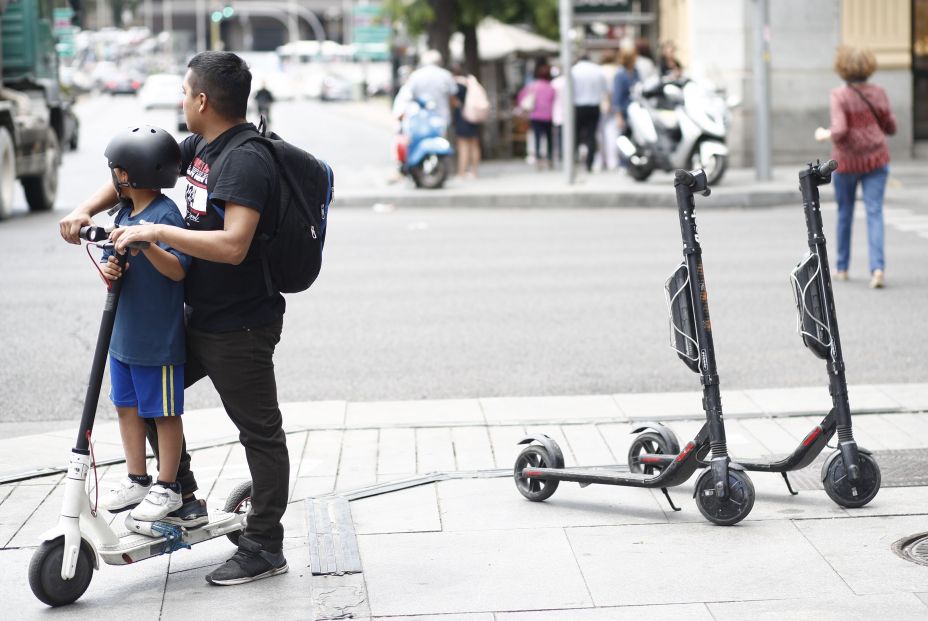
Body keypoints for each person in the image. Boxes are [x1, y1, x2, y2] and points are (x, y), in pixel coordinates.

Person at [59, 51, 291, 586]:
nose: (182, 101)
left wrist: (157, 233)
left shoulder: (245, 160)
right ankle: (177, 493)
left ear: (203, 100)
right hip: (195, 314)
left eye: (186, 93)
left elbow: (234, 246)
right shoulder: (198, 148)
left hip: (240, 324)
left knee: (258, 431)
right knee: (149, 396)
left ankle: (264, 544)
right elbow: (133, 177)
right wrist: (84, 211)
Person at [96, 126, 191, 524]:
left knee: (164, 413)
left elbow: (178, 270)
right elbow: (109, 269)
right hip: (123, 337)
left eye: (115, 170)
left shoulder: (164, 216)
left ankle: (169, 487)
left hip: (157, 341)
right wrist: (110, 266)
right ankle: (138, 477)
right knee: (126, 407)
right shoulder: (123, 212)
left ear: (129, 174)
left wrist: (147, 244)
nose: (112, 177)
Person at [815, 46, 897, 289]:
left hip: (847, 162)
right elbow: (891, 126)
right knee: (874, 212)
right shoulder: (879, 92)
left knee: (845, 212)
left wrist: (824, 133)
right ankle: (878, 269)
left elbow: (839, 130)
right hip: (876, 160)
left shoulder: (839, 95)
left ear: (842, 68)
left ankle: (842, 267)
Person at [571, 54, 608, 173]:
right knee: (591, 135)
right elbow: (604, 90)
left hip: (578, 106)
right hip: (594, 105)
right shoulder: (597, 70)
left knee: (575, 135)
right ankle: (589, 163)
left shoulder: (574, 70)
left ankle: (574, 160)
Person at [404, 50, 458, 128]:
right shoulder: (446, 75)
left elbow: (409, 96)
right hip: (442, 118)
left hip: (420, 117)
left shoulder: (415, 75)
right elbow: (453, 98)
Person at [517, 63, 556, 170]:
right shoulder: (551, 87)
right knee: (549, 138)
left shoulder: (533, 86)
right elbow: (553, 101)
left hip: (536, 116)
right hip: (548, 116)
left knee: (537, 138)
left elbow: (521, 98)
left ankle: (538, 159)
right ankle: (549, 159)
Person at [451, 64, 482, 178]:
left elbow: (454, 102)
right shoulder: (470, 81)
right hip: (474, 115)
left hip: (463, 116)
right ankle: (474, 172)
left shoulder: (456, 84)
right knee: (474, 144)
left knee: (463, 145)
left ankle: (462, 172)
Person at [613, 46, 641, 140]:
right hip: (625, 111)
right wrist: (618, 116)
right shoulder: (620, 74)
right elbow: (617, 96)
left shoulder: (636, 72)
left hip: (635, 110)